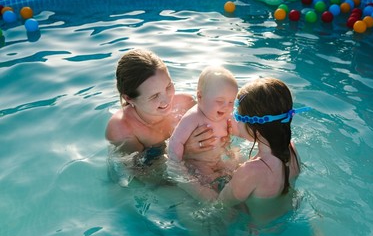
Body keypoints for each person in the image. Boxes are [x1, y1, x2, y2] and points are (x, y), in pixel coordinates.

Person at [105, 48, 230, 184]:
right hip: (169, 182)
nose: (167, 100)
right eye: (154, 96)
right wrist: (185, 152)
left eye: (168, 86)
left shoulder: (185, 104)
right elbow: (142, 177)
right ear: (129, 98)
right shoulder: (122, 129)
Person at [218, 77, 310, 225]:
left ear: (257, 129)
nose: (236, 121)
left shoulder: (250, 171)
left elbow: (220, 204)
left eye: (238, 116)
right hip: (289, 218)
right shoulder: (292, 150)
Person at [167, 66, 239, 195]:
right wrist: (176, 164)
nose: (226, 106)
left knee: (239, 170)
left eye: (231, 102)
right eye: (220, 101)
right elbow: (175, 141)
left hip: (219, 160)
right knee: (211, 188)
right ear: (200, 97)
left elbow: (241, 130)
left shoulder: (226, 115)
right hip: (199, 164)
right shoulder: (193, 117)